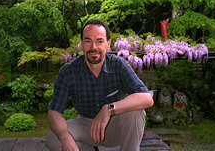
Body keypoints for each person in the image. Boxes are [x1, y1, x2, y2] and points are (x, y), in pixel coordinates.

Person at [46, 19, 154, 151]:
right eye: (88, 41)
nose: (93, 47)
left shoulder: (119, 65)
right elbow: (54, 112)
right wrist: (64, 137)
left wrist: (109, 109)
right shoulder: (69, 71)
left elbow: (147, 98)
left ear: (108, 44)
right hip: (85, 125)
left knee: (136, 112)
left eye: (99, 41)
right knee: (53, 139)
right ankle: (87, 147)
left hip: (114, 125)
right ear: (81, 44)